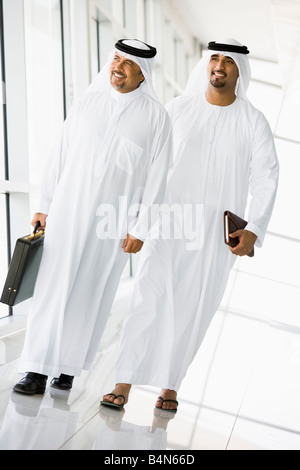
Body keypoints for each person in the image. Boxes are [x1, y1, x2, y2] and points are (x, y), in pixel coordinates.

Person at [101, 38, 279, 412]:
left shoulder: (253, 121)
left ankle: (170, 385)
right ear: (206, 64)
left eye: (228, 61)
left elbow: (266, 177)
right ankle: (124, 380)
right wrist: (139, 221)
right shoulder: (177, 109)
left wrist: (255, 229)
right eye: (214, 58)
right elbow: (151, 169)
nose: (219, 65)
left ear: (239, 71)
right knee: (148, 298)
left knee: (194, 307)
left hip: (215, 236)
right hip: (168, 223)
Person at [13, 39, 172, 395]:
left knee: (90, 292)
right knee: (51, 288)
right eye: (116, 59)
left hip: (111, 224)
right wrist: (45, 203)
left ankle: (66, 369)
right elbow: (59, 154)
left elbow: (158, 178)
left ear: (143, 74)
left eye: (128, 63)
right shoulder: (88, 101)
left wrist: (141, 228)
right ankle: (35, 369)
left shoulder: (156, 118)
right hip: (67, 212)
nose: (118, 67)